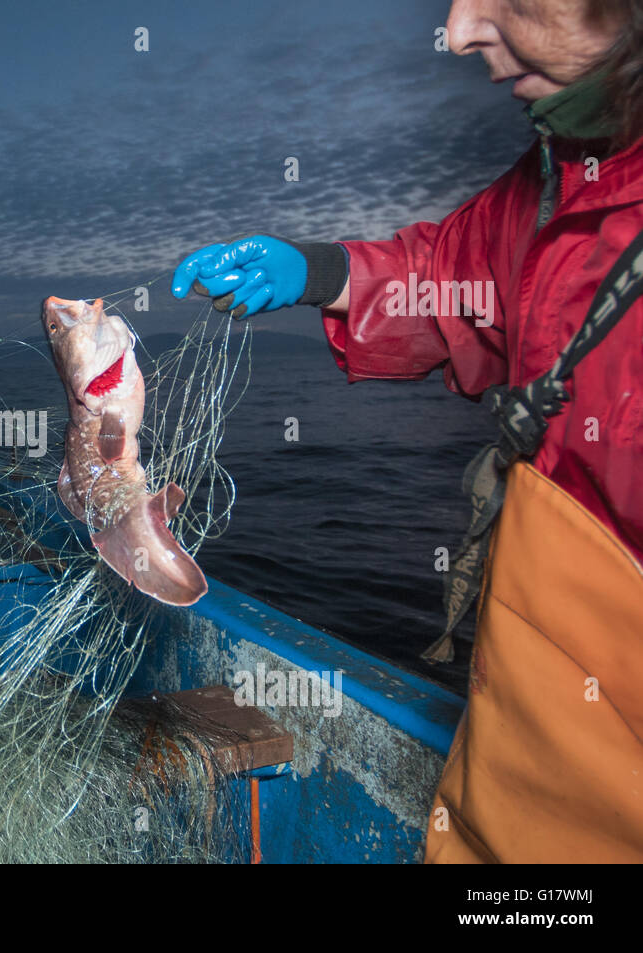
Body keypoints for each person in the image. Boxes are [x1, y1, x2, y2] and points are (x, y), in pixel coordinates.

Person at [171, 0, 642, 863]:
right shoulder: (560, 176)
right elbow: (446, 273)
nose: (459, 31)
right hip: (503, 797)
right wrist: (318, 268)